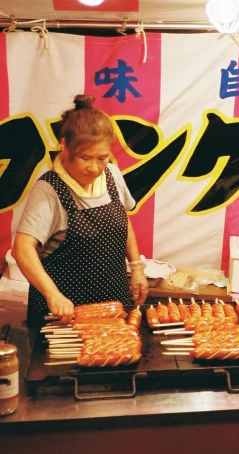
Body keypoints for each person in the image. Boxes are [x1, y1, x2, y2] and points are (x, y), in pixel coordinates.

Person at [12, 95, 148, 327]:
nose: (94, 167)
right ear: (64, 146)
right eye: (85, 158)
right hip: (66, 312)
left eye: (102, 158)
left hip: (113, 302)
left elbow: (123, 220)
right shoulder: (49, 189)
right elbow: (22, 249)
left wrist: (136, 268)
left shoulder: (112, 175)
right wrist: (52, 294)